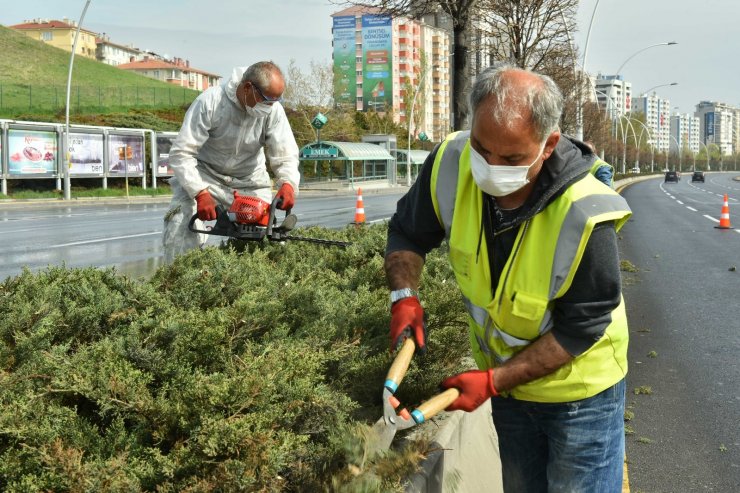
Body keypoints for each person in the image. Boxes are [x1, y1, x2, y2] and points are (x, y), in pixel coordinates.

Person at [385, 65, 631, 492]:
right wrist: (404, 295)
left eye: (513, 158)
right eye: (481, 149)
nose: (490, 168)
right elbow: (408, 231)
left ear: (548, 144)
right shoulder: (450, 163)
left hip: (580, 398)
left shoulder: (586, 211)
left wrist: (493, 381)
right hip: (512, 398)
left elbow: (582, 326)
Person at [163, 61, 300, 263]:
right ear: (247, 88)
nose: (270, 107)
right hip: (205, 177)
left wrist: (288, 183)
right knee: (179, 227)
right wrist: (199, 192)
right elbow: (181, 153)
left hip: (249, 182)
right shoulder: (211, 102)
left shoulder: (274, 111)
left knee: (263, 242)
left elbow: (285, 152)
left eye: (274, 101)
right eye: (266, 100)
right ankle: (176, 280)